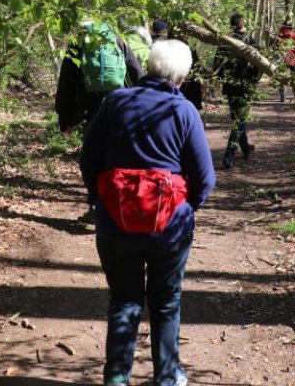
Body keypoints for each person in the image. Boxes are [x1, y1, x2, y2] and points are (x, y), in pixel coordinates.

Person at [80, 40, 216, 386]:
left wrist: (101, 202)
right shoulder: (183, 110)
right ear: (181, 77)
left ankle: (116, 378)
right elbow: (205, 178)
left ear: (149, 66)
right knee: (166, 301)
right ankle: (167, 378)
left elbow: (88, 160)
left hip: (115, 221)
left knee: (124, 299)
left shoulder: (114, 102)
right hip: (169, 228)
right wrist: (186, 210)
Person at [55, 20, 146, 223]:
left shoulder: (78, 45)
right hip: (121, 107)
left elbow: (66, 84)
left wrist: (65, 118)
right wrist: (147, 106)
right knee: (121, 156)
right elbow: (137, 72)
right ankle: (124, 207)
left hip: (92, 110)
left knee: (92, 159)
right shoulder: (117, 40)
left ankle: (96, 208)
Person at [213, 14, 260, 169]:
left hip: (231, 86)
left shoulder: (225, 41)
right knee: (239, 121)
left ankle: (246, 147)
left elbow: (217, 64)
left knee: (238, 119)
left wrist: (221, 80)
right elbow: (259, 64)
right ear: (242, 24)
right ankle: (229, 154)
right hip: (244, 86)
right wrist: (254, 80)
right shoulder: (250, 40)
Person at [273, 20, 295, 102]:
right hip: (293, 59)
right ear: (293, 27)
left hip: (282, 58)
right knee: (294, 77)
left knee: (282, 77)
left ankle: (283, 96)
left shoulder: (280, 35)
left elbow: (275, 47)